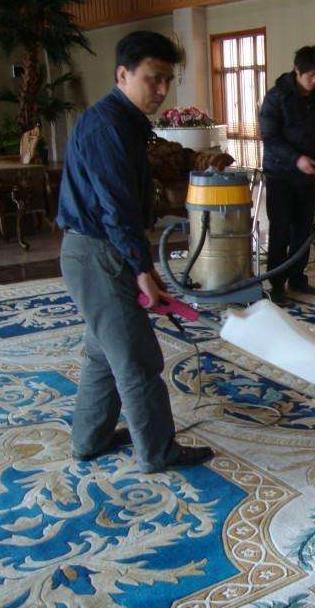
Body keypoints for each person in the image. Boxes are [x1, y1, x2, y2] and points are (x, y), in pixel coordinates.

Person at [56, 31, 214, 473]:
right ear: (122, 75)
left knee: (104, 353)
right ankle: (158, 452)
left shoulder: (126, 122)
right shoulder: (107, 126)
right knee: (137, 358)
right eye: (153, 78)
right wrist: (141, 268)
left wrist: (139, 264)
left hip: (100, 250)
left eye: (167, 80)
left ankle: (90, 439)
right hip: (97, 253)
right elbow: (116, 207)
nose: (162, 90)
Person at [259, 45, 315, 302]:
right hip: (280, 173)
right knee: (280, 229)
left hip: (308, 172)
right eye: (310, 75)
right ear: (297, 71)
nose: (314, 81)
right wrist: (296, 159)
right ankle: (277, 283)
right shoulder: (277, 96)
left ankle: (297, 278)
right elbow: (269, 137)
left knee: (303, 229)